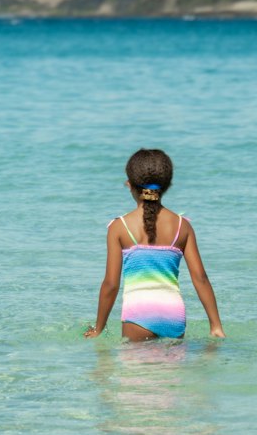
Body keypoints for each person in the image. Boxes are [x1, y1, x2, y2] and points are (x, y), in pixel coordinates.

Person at [84, 147, 226, 343]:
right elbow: (200, 278)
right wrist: (215, 325)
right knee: (170, 373)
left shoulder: (119, 227)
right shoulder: (182, 226)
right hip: (173, 316)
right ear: (167, 186)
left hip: (138, 317)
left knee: (138, 373)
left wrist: (99, 328)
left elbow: (111, 284)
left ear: (130, 185)